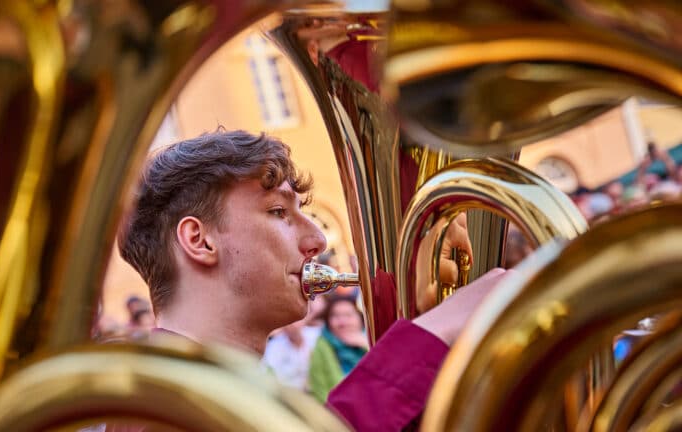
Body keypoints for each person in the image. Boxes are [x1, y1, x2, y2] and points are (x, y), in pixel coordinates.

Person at [117, 129, 512, 431]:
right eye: (278, 212)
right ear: (199, 240)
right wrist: (430, 337)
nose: (318, 240)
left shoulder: (226, 387)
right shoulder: (157, 402)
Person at [308, 296, 368, 402]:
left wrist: (367, 346)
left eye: (348, 315)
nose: (342, 322)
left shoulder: (375, 339)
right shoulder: (322, 346)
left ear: (361, 318)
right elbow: (320, 390)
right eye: (335, 316)